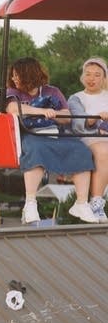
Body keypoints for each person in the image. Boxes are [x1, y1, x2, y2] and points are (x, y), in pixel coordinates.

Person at [6, 56, 97, 224]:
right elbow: (13, 109)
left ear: (29, 75)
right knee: (36, 150)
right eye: (13, 76)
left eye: (17, 75)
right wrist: (41, 111)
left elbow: (67, 116)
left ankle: (81, 203)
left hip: (54, 132)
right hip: (30, 134)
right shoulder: (13, 93)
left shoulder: (52, 92)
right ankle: (30, 202)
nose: (13, 79)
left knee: (81, 150)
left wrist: (54, 114)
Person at [68, 57, 108, 222]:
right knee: (104, 150)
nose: (91, 78)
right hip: (88, 137)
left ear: (104, 78)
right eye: (88, 74)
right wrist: (97, 118)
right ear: (82, 77)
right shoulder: (76, 98)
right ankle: (97, 203)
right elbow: (79, 124)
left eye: (97, 75)